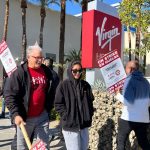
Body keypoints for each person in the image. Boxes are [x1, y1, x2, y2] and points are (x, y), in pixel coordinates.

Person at [4, 43, 56, 150]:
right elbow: (10, 95)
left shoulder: (47, 72)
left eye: (41, 57)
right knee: (22, 147)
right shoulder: (19, 73)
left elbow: (54, 88)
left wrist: (48, 108)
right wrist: (15, 114)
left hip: (42, 117)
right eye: (36, 57)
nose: (39, 60)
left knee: (43, 147)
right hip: (24, 118)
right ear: (28, 57)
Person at [54, 60, 94, 150]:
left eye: (80, 71)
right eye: (75, 71)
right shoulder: (63, 85)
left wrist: (89, 114)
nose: (77, 73)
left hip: (84, 126)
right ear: (70, 71)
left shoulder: (86, 85)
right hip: (70, 126)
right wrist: (67, 116)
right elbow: (58, 104)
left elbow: (90, 102)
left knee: (84, 148)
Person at [115, 60, 150, 150]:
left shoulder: (129, 79)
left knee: (121, 142)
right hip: (143, 119)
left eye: (126, 68)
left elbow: (128, 102)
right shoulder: (146, 82)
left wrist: (118, 95)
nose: (125, 70)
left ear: (130, 69)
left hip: (128, 118)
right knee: (144, 143)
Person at [43, 57, 60, 142]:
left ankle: (48, 136)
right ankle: (48, 135)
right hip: (51, 101)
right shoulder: (56, 75)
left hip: (44, 101)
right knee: (46, 120)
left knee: (43, 121)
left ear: (46, 63)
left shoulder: (45, 73)